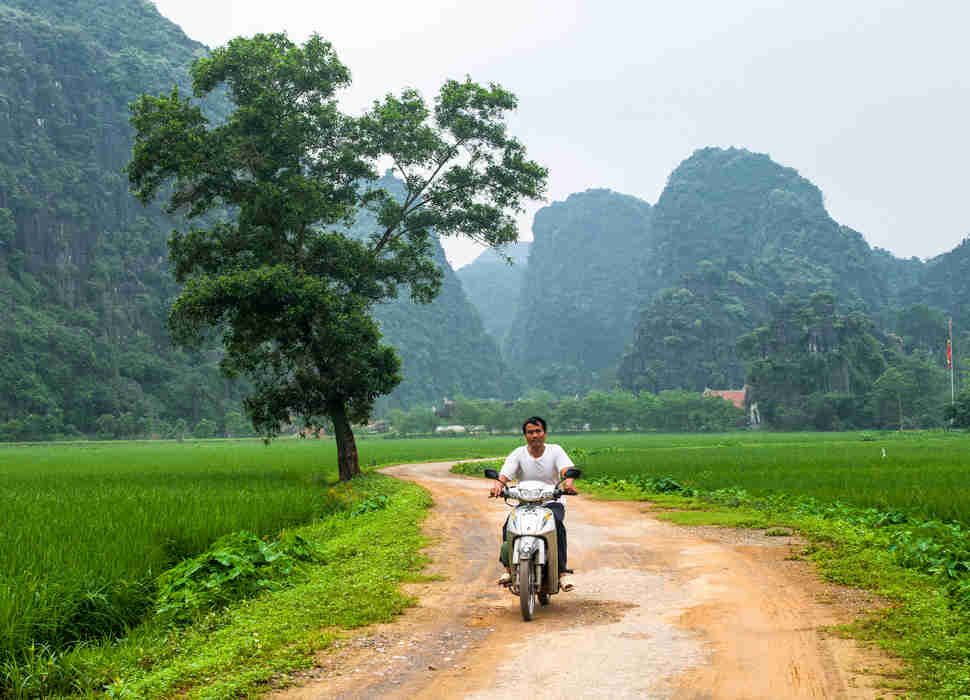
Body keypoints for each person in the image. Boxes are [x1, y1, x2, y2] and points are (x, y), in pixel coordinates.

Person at [489, 416, 578, 591]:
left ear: (544, 433)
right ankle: (508, 569)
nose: (535, 435)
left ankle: (561, 572)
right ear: (525, 435)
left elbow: (566, 469)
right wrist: (498, 484)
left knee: (557, 525)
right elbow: (505, 474)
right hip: (525, 503)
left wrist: (568, 481)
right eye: (530, 432)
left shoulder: (555, 451)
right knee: (508, 526)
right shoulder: (518, 453)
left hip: (551, 502)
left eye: (538, 431)